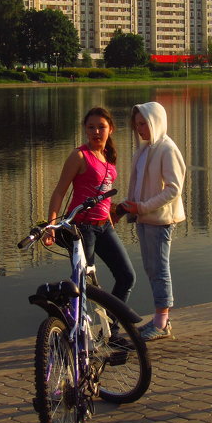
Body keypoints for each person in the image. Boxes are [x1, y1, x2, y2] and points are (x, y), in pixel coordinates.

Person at [44, 106, 136, 304]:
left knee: (127, 276)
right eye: (91, 127)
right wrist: (51, 225)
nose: (96, 132)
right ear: (85, 130)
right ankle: (71, 327)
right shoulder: (79, 156)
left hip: (104, 226)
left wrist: (110, 217)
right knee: (84, 283)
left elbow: (104, 193)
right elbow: (60, 191)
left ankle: (112, 328)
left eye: (101, 127)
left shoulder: (109, 157)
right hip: (82, 227)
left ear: (110, 129)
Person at [119, 101, 186, 341]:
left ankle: (161, 322)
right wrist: (129, 206)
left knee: (159, 268)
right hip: (143, 217)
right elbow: (138, 184)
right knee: (151, 267)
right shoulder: (145, 149)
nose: (140, 128)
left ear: (156, 121)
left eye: (144, 123)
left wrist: (144, 206)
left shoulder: (167, 149)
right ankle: (160, 318)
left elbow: (174, 189)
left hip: (159, 219)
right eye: (137, 124)